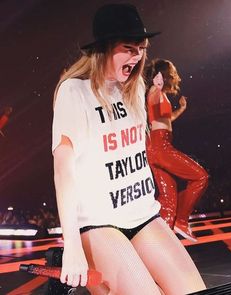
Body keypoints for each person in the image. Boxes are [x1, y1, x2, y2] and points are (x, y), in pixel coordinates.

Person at [52, 4, 206, 294]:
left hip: (144, 214)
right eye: (128, 48)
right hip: (99, 224)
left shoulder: (134, 88)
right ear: (104, 48)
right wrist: (72, 247)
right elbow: (63, 172)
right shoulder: (74, 92)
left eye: (141, 48)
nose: (136, 56)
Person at [145, 58, 209, 243]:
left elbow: (165, 119)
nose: (175, 76)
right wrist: (157, 87)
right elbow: (152, 99)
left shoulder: (160, 95)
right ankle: (181, 221)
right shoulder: (154, 92)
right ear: (162, 75)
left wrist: (181, 108)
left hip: (157, 147)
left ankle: (161, 240)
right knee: (200, 177)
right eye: (172, 72)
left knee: (168, 198)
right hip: (160, 147)